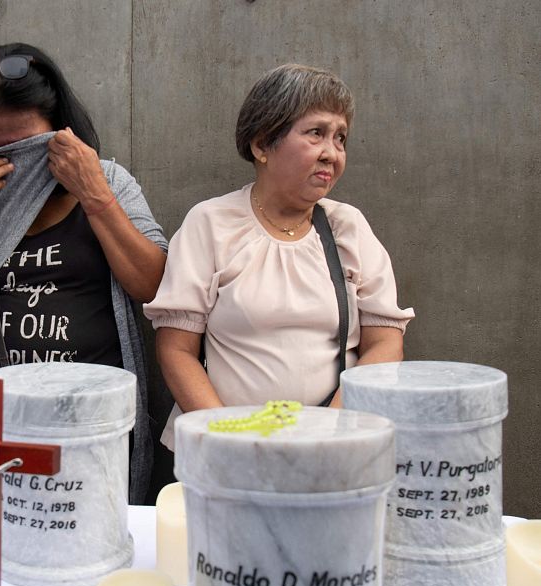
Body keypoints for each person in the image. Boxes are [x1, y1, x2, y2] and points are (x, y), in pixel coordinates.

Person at [0, 43, 167, 503]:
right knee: (0, 545)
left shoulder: (108, 181)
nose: (15, 163)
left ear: (61, 130)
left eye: (30, 145)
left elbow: (155, 286)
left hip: (87, 418)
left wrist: (94, 194)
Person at [144, 64, 415, 449]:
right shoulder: (212, 223)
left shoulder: (348, 228)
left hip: (332, 454)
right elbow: (176, 349)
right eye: (316, 133)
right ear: (261, 145)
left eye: (340, 138)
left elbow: (386, 344)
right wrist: (227, 440)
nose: (331, 153)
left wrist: (329, 433)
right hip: (223, 455)